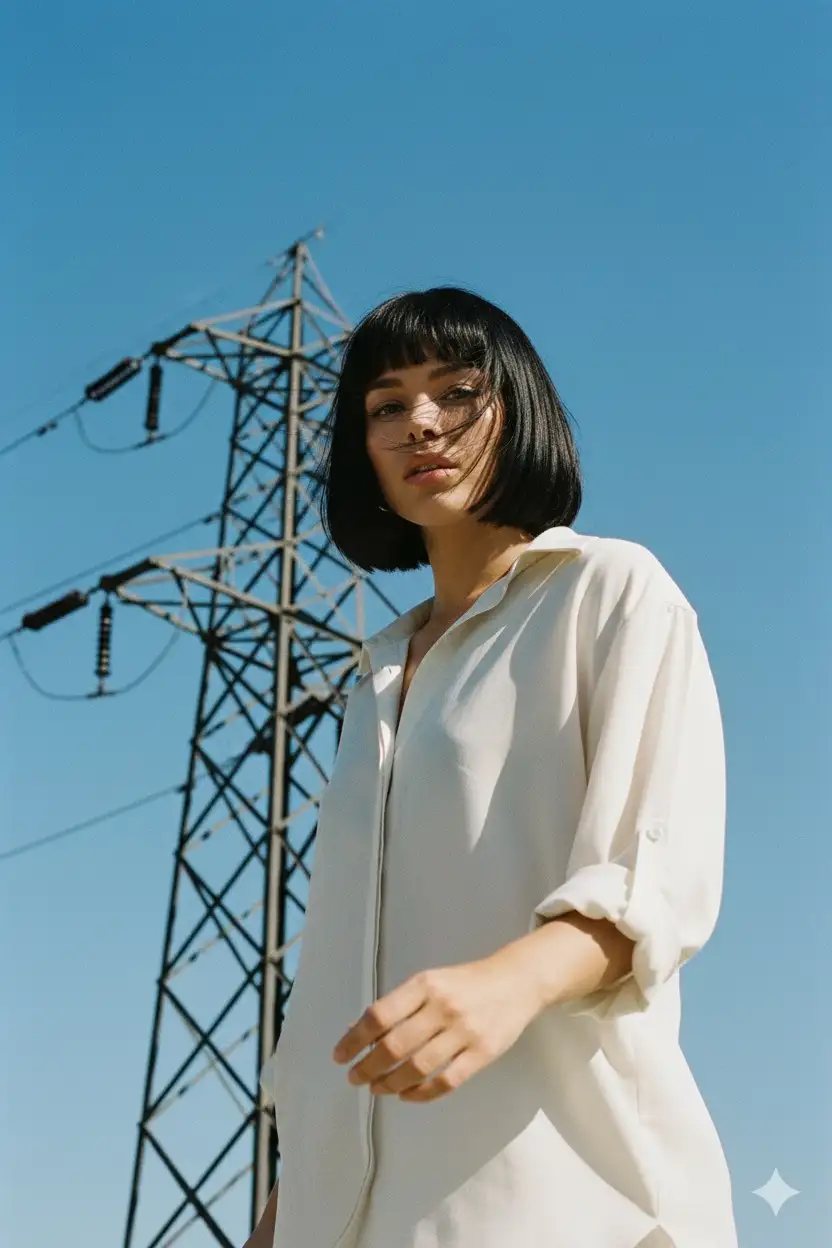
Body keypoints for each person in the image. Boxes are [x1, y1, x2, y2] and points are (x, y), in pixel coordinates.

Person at [246, 287, 738, 1248]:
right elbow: (341, 987)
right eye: (386, 405)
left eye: (457, 390)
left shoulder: (610, 590)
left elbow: (658, 881)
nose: (421, 422)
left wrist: (509, 980)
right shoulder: (376, 678)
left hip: (565, 1195)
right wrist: (288, 1207)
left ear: (518, 411)